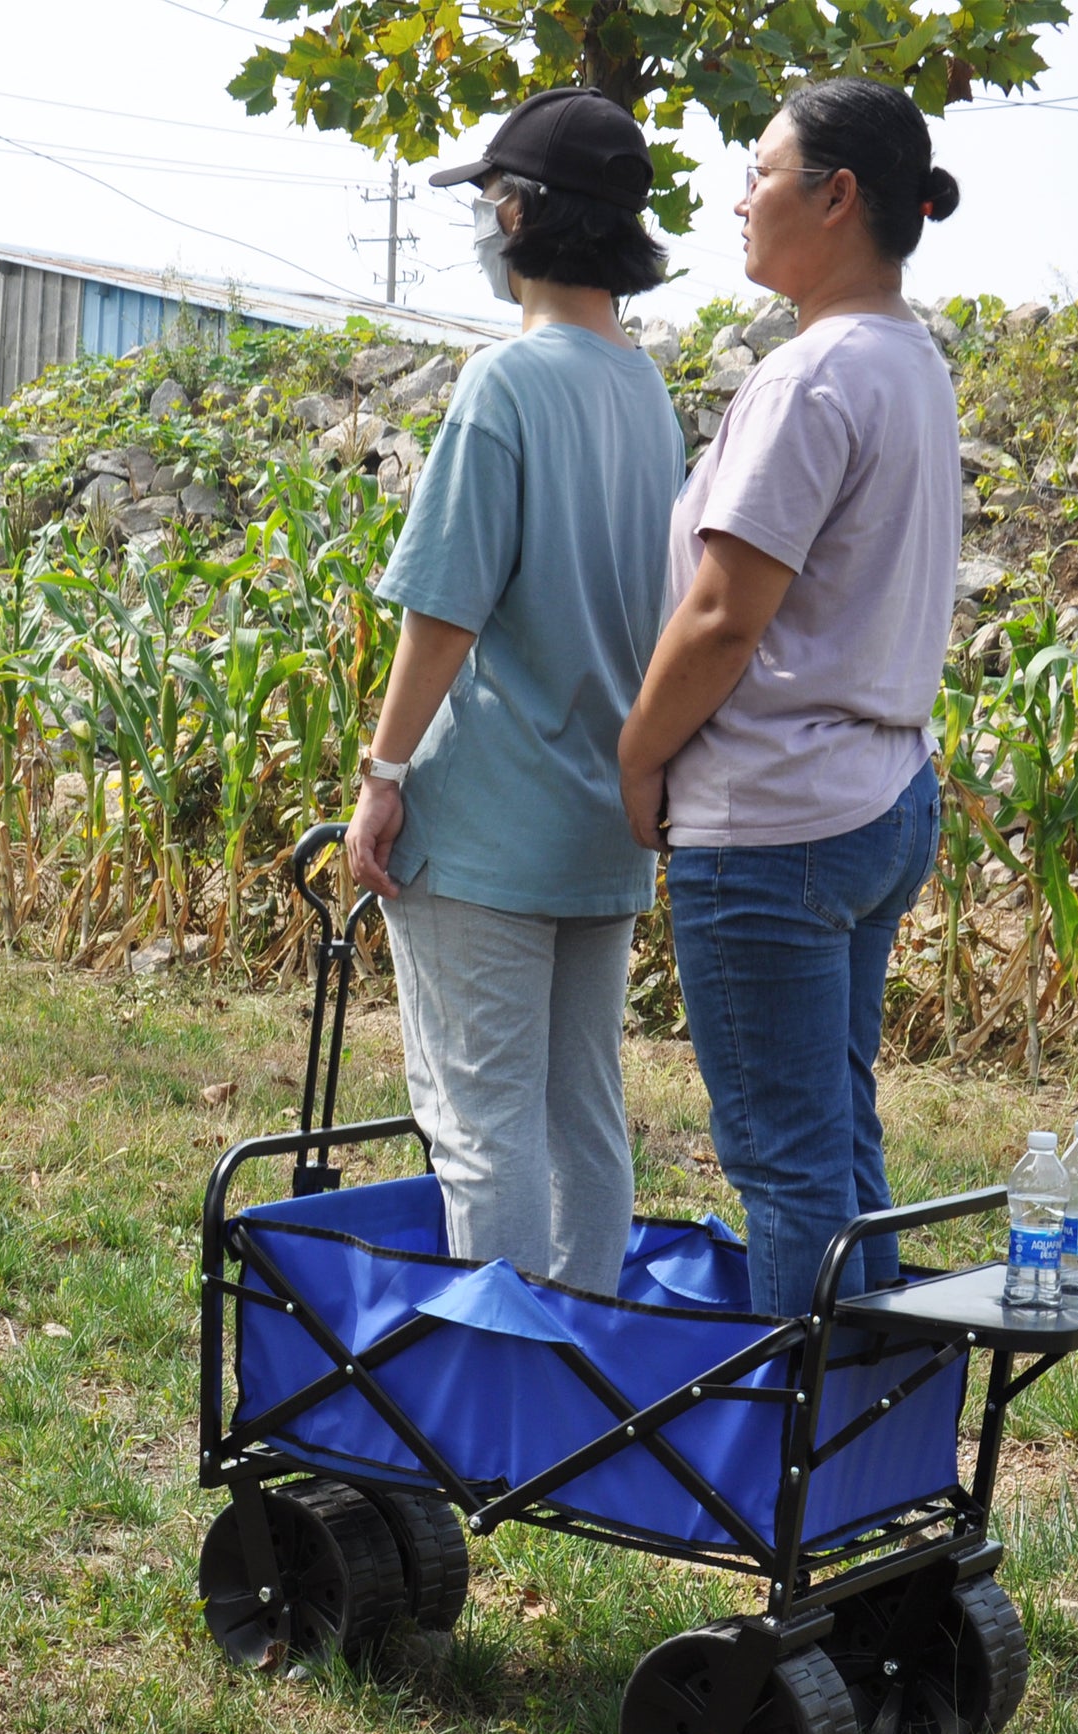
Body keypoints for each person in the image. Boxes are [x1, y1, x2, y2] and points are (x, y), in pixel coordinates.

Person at [617, 78, 961, 1318]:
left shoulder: (809, 375)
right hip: (877, 796)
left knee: (785, 1159)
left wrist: (638, 756)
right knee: (838, 1139)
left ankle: (787, 1476)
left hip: (769, 820)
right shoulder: (907, 362)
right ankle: (863, 1445)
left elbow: (722, 613)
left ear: (836, 196)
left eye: (757, 172)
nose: (737, 199)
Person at [344, 88, 686, 1298]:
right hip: (601, 819)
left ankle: (497, 1403)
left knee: (480, 1121)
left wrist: (383, 778)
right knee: (582, 1116)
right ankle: (584, 1380)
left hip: (484, 820)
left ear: (513, 211)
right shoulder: (642, 390)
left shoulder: (505, 383)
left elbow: (446, 605)